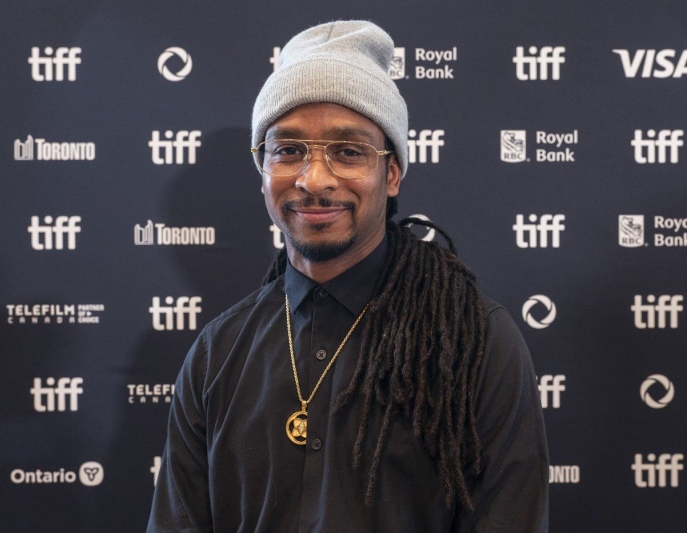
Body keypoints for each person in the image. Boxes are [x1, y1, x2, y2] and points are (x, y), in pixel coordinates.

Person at [148, 20, 548, 532]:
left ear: (393, 171)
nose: (315, 180)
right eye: (288, 150)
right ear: (262, 168)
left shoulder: (475, 341)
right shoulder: (217, 352)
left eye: (349, 151)